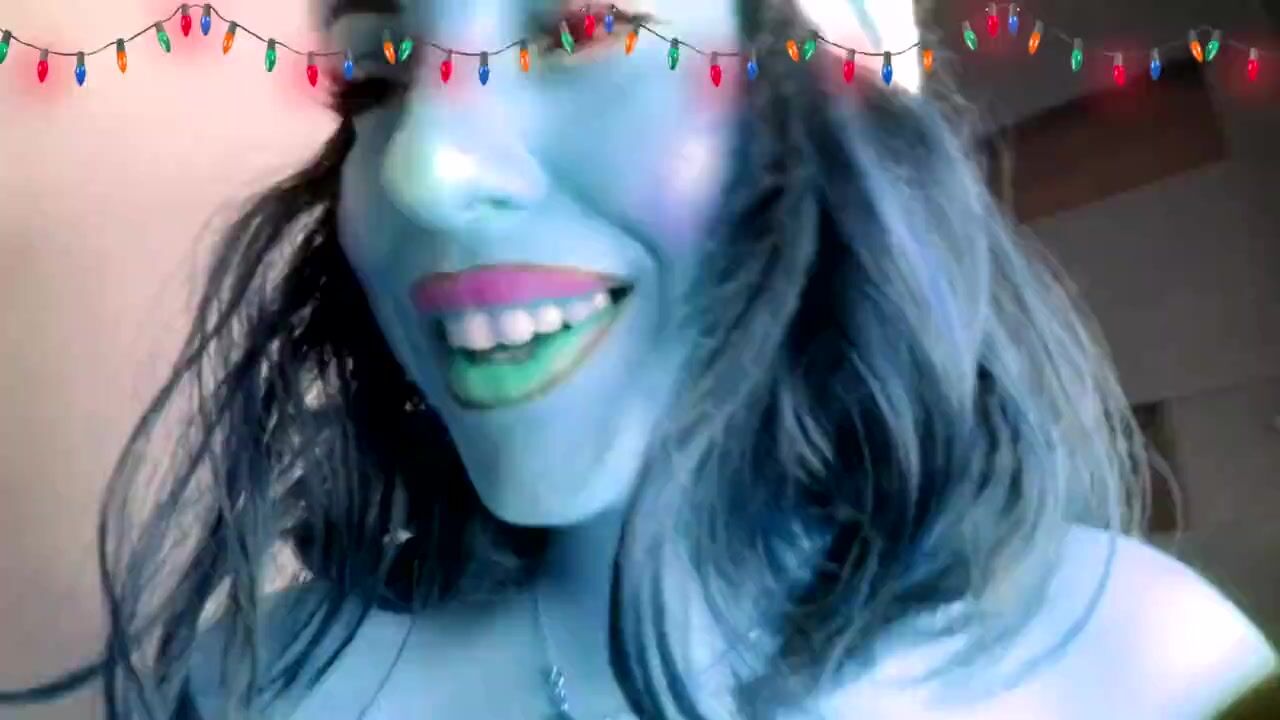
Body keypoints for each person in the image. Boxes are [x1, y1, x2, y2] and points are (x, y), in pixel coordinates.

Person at [2, 0, 1276, 718]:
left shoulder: (1151, 672)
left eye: (577, 28)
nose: (423, 167)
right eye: (375, 77)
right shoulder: (247, 688)